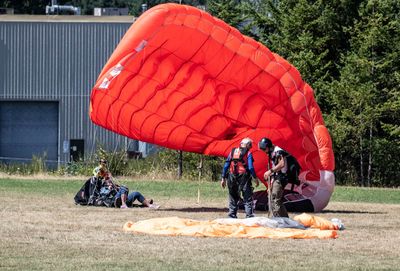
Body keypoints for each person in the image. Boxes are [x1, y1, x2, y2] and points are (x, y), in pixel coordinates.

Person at [259, 137, 300, 217]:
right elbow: (275, 169)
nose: (263, 151)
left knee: (275, 198)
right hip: (277, 177)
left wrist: (270, 171)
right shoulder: (272, 153)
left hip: (282, 178)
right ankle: (282, 218)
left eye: (264, 149)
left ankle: (281, 219)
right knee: (272, 198)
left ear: (268, 146)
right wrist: (270, 186)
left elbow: (282, 164)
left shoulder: (278, 151)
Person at [221, 137, 259, 218]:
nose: (251, 147)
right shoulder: (248, 154)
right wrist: (255, 178)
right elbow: (251, 167)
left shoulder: (232, 152)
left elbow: (226, 165)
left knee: (233, 197)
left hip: (231, 177)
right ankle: (249, 217)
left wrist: (223, 178)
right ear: (247, 145)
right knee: (247, 198)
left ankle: (232, 216)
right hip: (244, 178)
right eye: (250, 145)